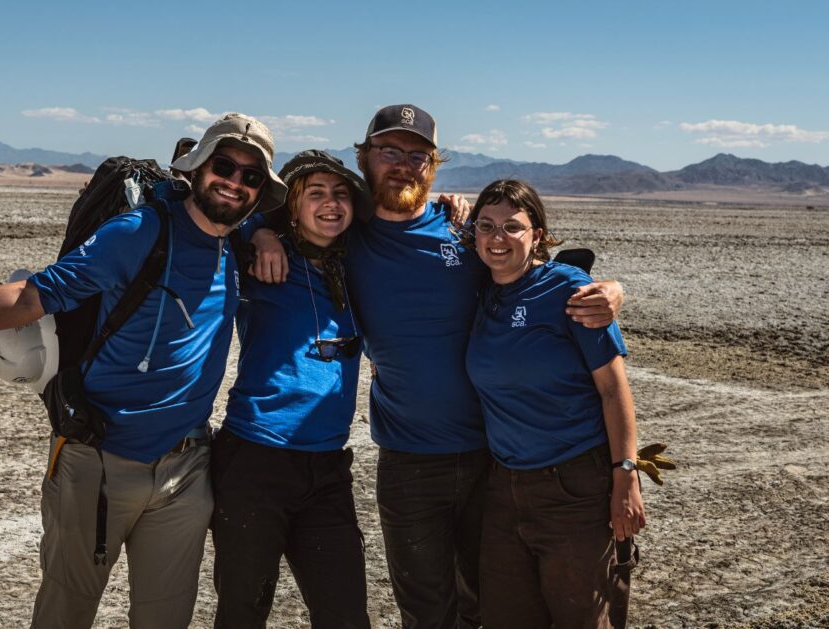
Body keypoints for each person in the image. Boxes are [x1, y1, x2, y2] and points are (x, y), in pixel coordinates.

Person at [0, 113, 288, 629]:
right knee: (66, 612)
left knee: (166, 618)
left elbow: (273, 221)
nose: (235, 182)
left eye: (251, 175)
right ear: (197, 167)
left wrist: (265, 237)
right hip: (97, 463)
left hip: (186, 471)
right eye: (224, 166)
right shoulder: (139, 232)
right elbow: (31, 295)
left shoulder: (236, 240)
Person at [250, 104, 624, 628]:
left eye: (418, 155)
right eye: (389, 152)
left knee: (490, 601)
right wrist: (261, 235)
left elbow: (528, 265)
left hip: (490, 457)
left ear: (434, 165)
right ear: (365, 159)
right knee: (425, 608)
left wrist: (609, 289)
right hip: (408, 460)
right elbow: (259, 213)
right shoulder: (346, 235)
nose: (403, 165)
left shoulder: (464, 231)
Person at [464, 179, 644, 628]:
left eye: (512, 227)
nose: (497, 238)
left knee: (582, 616)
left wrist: (626, 475)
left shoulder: (570, 291)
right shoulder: (481, 290)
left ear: (537, 234)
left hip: (574, 486)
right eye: (486, 226)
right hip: (503, 486)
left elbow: (612, 388)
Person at [211, 150, 373, 628]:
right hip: (255, 462)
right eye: (316, 194)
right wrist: (260, 230)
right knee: (243, 610)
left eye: (341, 194)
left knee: (345, 613)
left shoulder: (354, 261)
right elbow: (216, 220)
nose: (331, 204)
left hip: (327, 468)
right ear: (293, 205)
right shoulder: (261, 259)